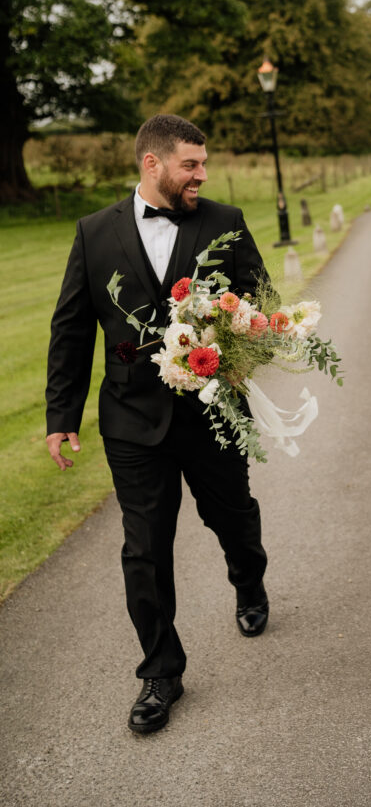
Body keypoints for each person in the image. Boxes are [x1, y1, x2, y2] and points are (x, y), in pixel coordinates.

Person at [46, 114, 272, 733]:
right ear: (153, 164)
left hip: (212, 410)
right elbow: (70, 329)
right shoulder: (94, 233)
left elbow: (259, 302)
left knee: (232, 514)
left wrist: (230, 338)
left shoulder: (224, 222)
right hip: (130, 418)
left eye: (204, 164)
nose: (203, 174)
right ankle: (160, 671)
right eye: (191, 165)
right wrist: (60, 416)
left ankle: (248, 579)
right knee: (143, 550)